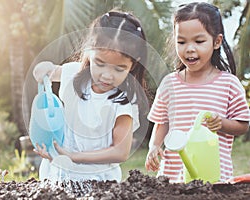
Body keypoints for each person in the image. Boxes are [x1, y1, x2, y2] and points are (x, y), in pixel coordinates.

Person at [32, 10, 150, 182]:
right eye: (100, 63)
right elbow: (45, 72)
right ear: (89, 50)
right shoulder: (73, 73)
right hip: (58, 175)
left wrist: (74, 156)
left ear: (133, 64)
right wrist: (42, 68)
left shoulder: (123, 102)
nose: (107, 76)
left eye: (119, 68)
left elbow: (120, 152)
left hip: (99, 182)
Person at [145, 2, 250, 183]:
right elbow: (161, 123)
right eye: (181, 42)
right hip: (172, 177)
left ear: (216, 41)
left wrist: (221, 124)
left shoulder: (228, 84)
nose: (189, 48)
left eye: (199, 41)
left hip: (213, 176)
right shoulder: (169, 83)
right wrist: (154, 146)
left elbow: (243, 125)